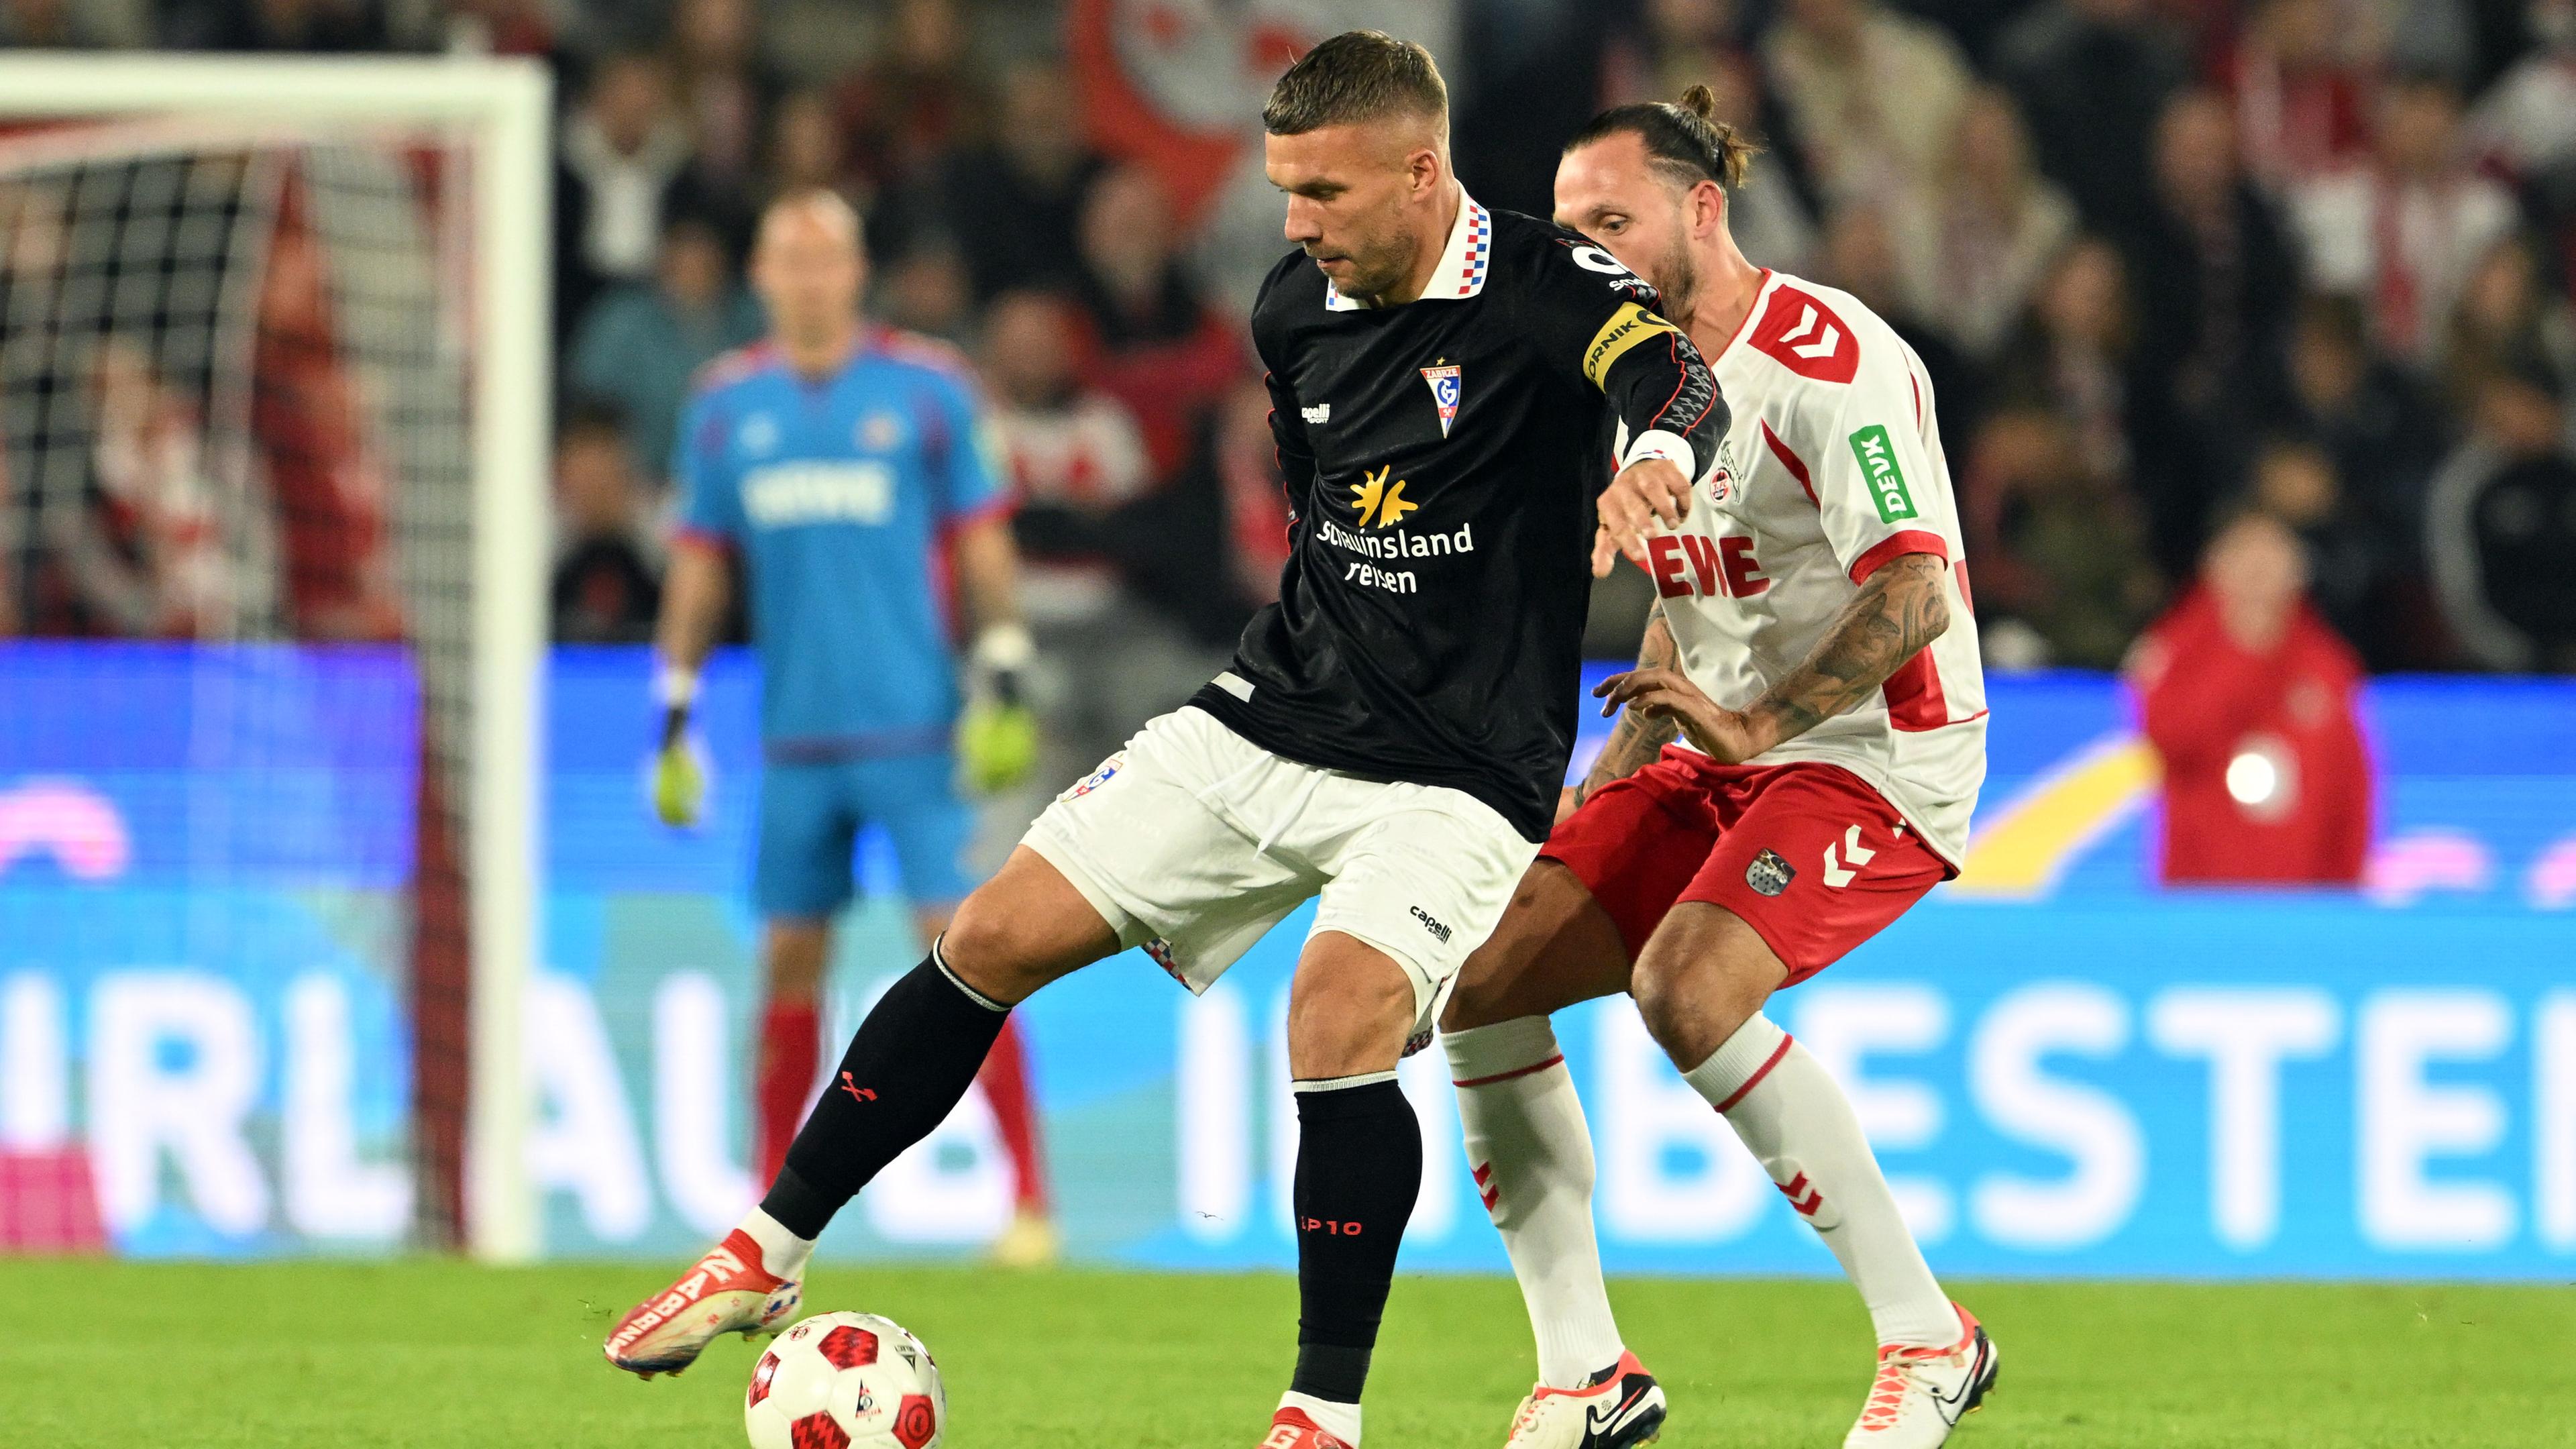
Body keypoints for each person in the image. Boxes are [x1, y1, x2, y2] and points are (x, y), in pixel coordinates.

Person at [604, 34, 1730, 1449]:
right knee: (992, 934)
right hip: (1272, 713)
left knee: (1336, 1017)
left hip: (1461, 766)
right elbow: (1323, 499)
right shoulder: (1290, 307)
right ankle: (768, 1247)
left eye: (1322, 190)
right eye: (1283, 190)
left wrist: (1650, 465)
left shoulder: (1548, 284)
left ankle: (1321, 1415)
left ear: (1422, 170)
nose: (1294, 223)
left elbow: (1681, 385)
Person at [1435, 88, 1996, 1449]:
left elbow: (1917, 591)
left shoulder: (1830, 358)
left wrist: (1757, 727)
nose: (1588, 257)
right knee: (1478, 986)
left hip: (1873, 752)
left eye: (1612, 224)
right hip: (1721, 749)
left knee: (1685, 983)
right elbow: (1701, 588)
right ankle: (1588, 1374)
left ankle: (1930, 1341)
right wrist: (1623, 764)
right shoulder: (1621, 373)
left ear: (1702, 210)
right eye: (1568, 233)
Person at [632, 191, 1058, 1269]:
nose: (810, 277)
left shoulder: (925, 392)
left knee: (970, 955)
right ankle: (769, 1217)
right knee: (787, 963)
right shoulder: (726, 409)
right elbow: (697, 557)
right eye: (790, 258)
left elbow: (981, 539)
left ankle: (1031, 1206)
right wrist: (672, 707)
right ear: (763, 276)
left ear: (856, 274)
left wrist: (1002, 671)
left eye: (828, 258)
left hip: (915, 734)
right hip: (794, 743)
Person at [2130, 508, 2372, 883]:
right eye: (2246, 556)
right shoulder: (2176, 650)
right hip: (2200, 897)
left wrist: (2346, 888)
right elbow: (2169, 741)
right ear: (2214, 567)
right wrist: (2242, 655)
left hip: (2303, 900)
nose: (2258, 574)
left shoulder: (2326, 663)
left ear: (2298, 573)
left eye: (2272, 558)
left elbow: (2350, 784)